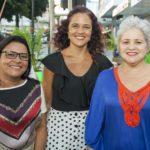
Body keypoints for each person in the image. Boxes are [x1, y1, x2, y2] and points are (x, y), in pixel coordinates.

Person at [42, 6, 113, 150]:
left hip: (92, 132)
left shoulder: (103, 64)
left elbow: (109, 104)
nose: (80, 31)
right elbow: (46, 106)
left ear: (92, 32)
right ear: (66, 30)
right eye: (75, 26)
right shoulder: (52, 63)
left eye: (86, 27)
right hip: (58, 134)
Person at [85, 15, 150, 150]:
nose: (131, 47)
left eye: (138, 42)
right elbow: (94, 125)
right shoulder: (105, 78)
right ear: (119, 46)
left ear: (148, 46)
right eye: (125, 42)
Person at [0, 35, 47, 150]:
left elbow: (41, 126)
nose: (17, 60)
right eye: (10, 54)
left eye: (23, 56)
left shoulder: (35, 88)